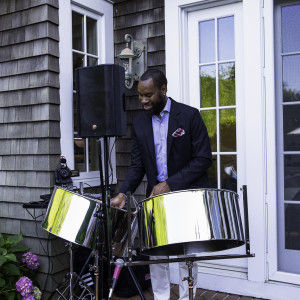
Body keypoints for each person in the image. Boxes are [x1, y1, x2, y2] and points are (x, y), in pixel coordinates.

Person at [111, 68, 212, 300]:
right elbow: (138, 166)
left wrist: (169, 183)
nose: (143, 100)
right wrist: (124, 193)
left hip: (186, 196)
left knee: (187, 255)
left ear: (163, 90)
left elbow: (203, 158)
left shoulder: (189, 116)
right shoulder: (139, 124)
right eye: (140, 95)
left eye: (148, 95)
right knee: (157, 256)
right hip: (155, 200)